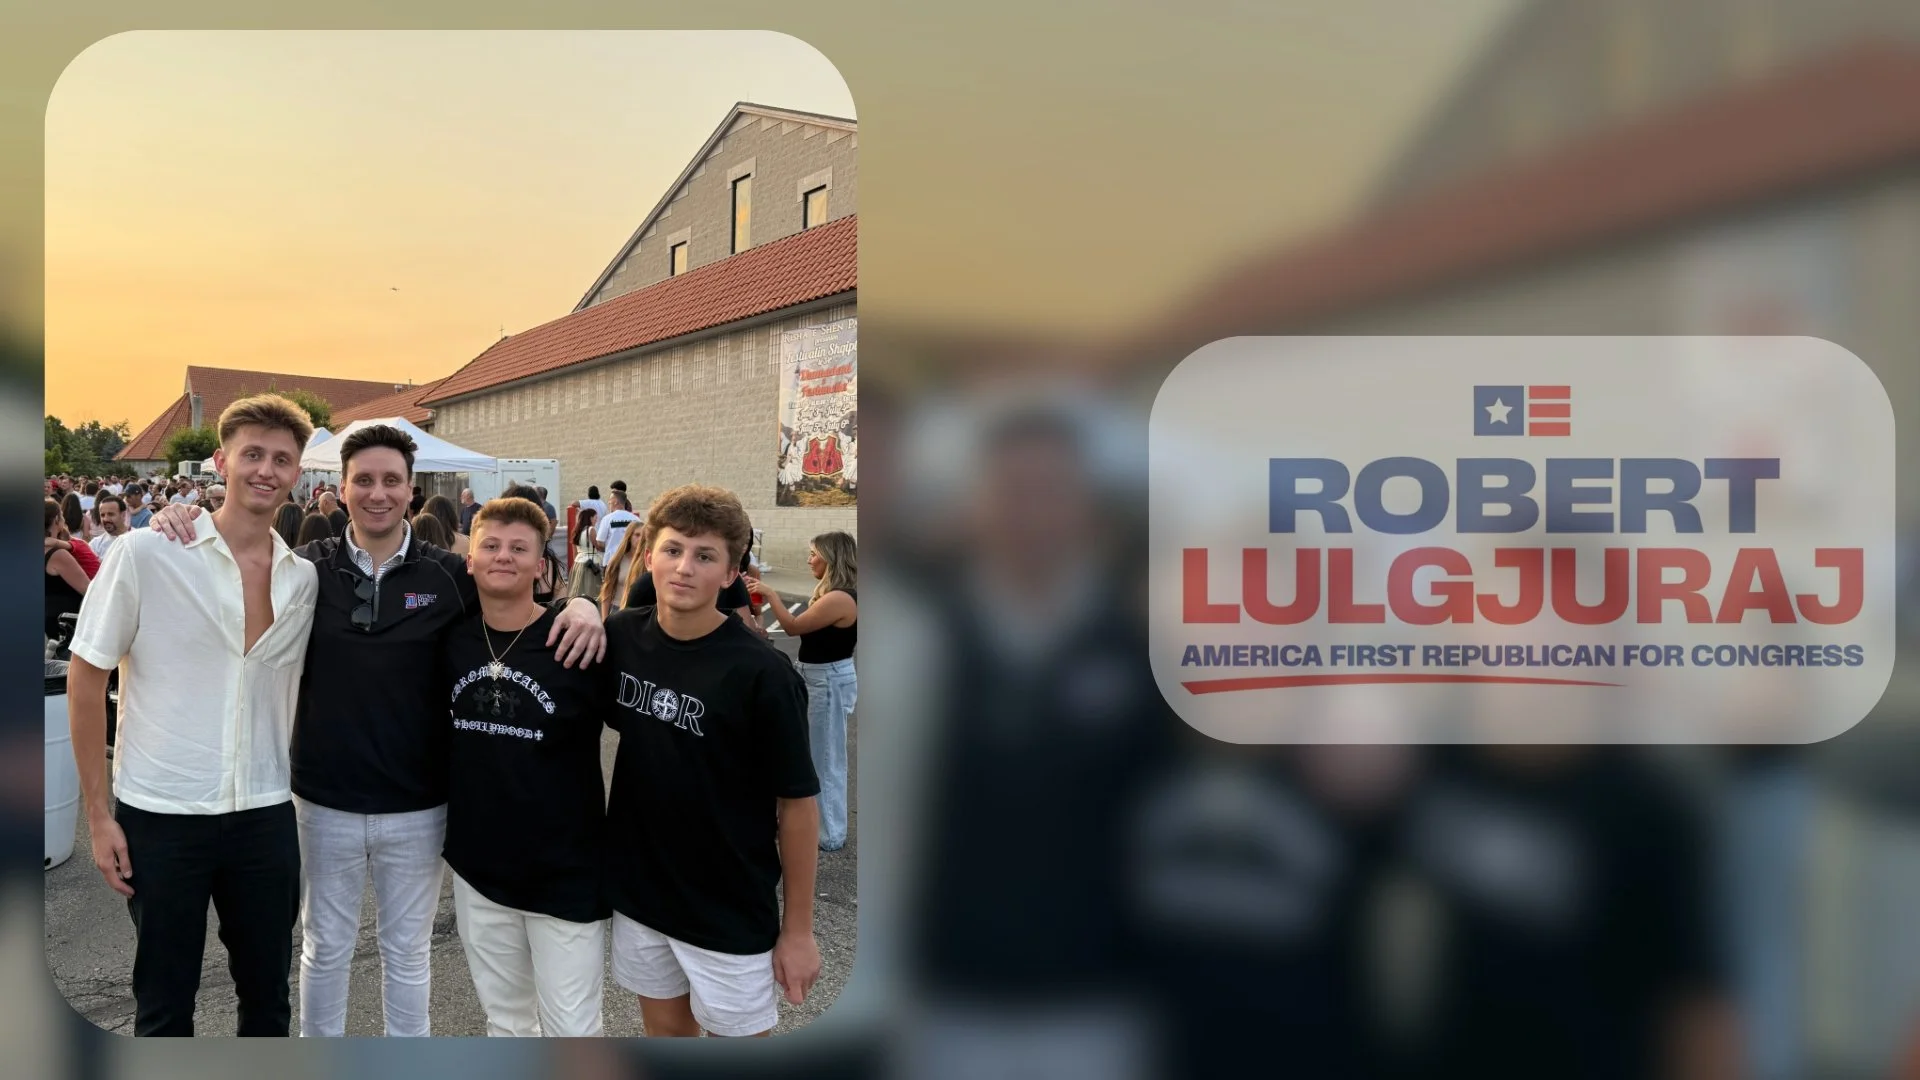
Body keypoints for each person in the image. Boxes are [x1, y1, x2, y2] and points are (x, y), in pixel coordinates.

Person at [146, 424, 608, 1038]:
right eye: (364, 480)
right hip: (323, 797)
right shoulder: (306, 568)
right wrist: (180, 517)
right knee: (324, 948)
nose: (378, 492)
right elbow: (233, 562)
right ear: (343, 487)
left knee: (408, 953)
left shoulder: (450, 575)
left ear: (411, 490)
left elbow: (514, 596)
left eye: (392, 480)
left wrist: (583, 605)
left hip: (418, 802)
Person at [65, 394, 318, 1036]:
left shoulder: (303, 580)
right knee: (164, 1006)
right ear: (220, 461)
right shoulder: (146, 554)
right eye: (252, 454)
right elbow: (87, 677)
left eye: (281, 459)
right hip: (162, 813)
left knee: (268, 1003)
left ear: (298, 473)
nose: (265, 469)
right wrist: (98, 816)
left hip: (263, 812)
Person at [602, 484, 821, 1037]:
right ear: (648, 554)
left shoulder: (764, 676)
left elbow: (797, 805)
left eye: (705, 556)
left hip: (727, 903)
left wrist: (798, 930)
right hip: (642, 892)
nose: (684, 568)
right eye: (673, 550)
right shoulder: (623, 637)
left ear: (730, 574)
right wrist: (582, 605)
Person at [444, 497, 613, 1036]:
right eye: (490, 546)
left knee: (572, 1028)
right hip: (478, 868)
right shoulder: (449, 640)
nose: (503, 557)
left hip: (563, 871)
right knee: (507, 1021)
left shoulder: (577, 641)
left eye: (519, 548)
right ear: (469, 559)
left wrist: (585, 605)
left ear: (542, 565)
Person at [745, 531, 858, 852]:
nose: (809, 560)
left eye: (814, 554)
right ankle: (811, 824)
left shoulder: (841, 597)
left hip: (828, 679)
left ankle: (830, 833)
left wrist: (771, 595)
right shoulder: (835, 593)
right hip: (819, 676)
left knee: (825, 757)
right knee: (810, 751)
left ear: (831, 558)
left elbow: (794, 628)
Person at [45, 498, 90, 639]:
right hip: (64, 623)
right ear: (57, 519)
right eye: (62, 515)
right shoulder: (57, 554)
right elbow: (88, 589)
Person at [598, 520, 643, 619]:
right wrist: (605, 621)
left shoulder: (649, 562)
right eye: (637, 535)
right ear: (629, 537)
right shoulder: (617, 560)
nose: (640, 539)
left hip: (642, 613)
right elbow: (607, 592)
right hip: (618, 611)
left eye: (644, 536)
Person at [595, 490, 641, 563]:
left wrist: (609, 548)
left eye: (610, 500)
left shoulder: (607, 519)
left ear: (615, 502)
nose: (609, 502)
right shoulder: (636, 519)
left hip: (611, 561)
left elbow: (600, 542)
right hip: (631, 562)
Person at [569, 508, 601, 602]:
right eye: (595, 517)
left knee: (578, 591)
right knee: (592, 591)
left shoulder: (576, 531)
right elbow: (598, 547)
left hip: (578, 563)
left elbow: (575, 553)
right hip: (591, 562)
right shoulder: (591, 529)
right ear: (590, 518)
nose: (596, 519)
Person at [91, 493, 128, 560]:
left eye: (111, 514)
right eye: (102, 515)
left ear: (123, 515)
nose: (106, 519)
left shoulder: (136, 538)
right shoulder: (95, 544)